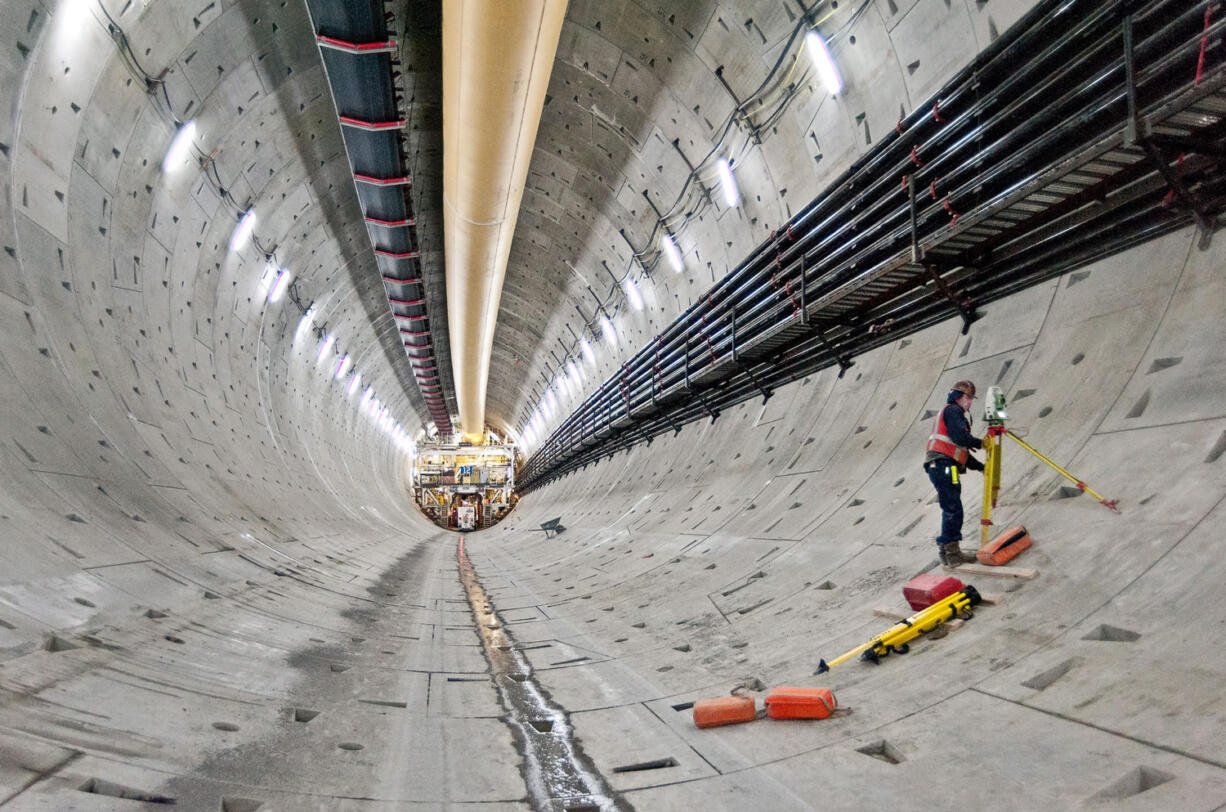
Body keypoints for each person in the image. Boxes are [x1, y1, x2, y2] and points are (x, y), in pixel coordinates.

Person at [923, 380, 985, 566]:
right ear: (959, 396)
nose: (970, 402)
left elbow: (960, 452)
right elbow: (960, 438)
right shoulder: (953, 411)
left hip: (944, 465)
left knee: (950, 506)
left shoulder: (951, 413)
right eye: (968, 398)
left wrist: (981, 467)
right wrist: (981, 443)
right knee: (953, 507)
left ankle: (947, 551)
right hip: (944, 465)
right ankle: (953, 553)